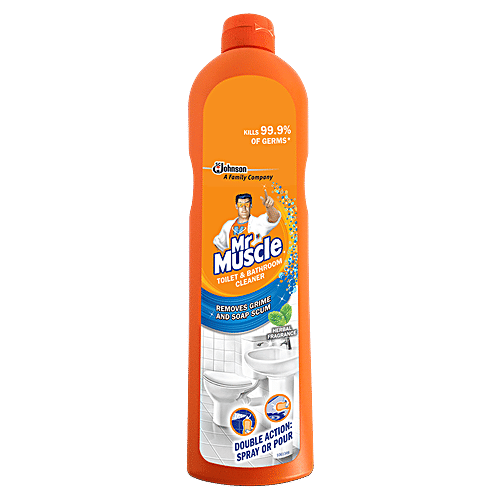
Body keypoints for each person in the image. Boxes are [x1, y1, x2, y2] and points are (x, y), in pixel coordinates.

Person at [213, 189, 281, 252]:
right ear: (236, 206)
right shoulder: (228, 226)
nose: (244, 208)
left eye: (246, 204)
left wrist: (270, 207)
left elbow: (274, 218)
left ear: (250, 205)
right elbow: (218, 244)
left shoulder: (258, 223)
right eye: (240, 204)